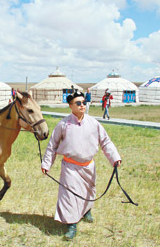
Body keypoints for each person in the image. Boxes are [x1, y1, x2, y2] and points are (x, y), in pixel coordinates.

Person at [41, 91, 121, 240]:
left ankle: (86, 211)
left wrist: (114, 158)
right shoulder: (63, 124)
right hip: (70, 167)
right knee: (69, 196)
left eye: (84, 102)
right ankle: (71, 225)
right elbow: (52, 145)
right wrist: (46, 163)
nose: (82, 105)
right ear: (71, 106)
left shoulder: (94, 123)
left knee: (88, 192)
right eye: (78, 103)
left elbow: (105, 141)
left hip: (88, 166)